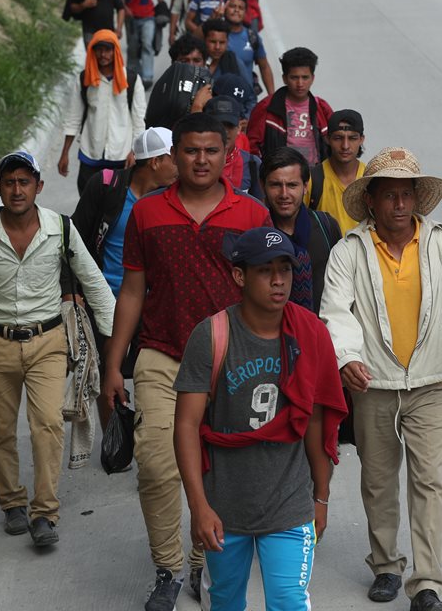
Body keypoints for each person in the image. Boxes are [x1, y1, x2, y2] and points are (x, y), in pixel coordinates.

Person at [101, 113, 272, 611]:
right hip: (161, 352)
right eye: (191, 151)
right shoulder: (148, 213)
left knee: (217, 468)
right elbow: (132, 290)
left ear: (227, 155)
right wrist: (115, 366)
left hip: (229, 358)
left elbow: (265, 295)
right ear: (173, 156)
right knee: (156, 465)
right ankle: (167, 570)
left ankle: (203, 563)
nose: (201, 160)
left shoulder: (251, 215)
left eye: (211, 151)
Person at [319, 148, 442, 611]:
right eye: (389, 195)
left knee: (428, 479)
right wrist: (346, 358)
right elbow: (336, 313)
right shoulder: (349, 251)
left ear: (416, 199)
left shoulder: (441, 242)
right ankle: (385, 565)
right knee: (378, 480)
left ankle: (428, 583)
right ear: (371, 202)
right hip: (373, 384)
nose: (399, 203)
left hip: (431, 381)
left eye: (405, 194)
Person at [0, 150, 116, 548]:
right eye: (9, 182)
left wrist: (115, 343)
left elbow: (94, 283)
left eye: (25, 182)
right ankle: (12, 503)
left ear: (39, 186)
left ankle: (45, 513)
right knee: (0, 431)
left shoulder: (61, 229)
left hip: (48, 343)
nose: (17, 190)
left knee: (48, 424)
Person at [172, 226, 347, 611]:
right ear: (240, 276)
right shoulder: (212, 335)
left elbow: (315, 421)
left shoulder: (310, 333)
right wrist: (199, 507)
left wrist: (321, 496)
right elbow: (185, 425)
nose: (279, 280)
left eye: (284, 269)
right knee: (226, 602)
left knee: (288, 602)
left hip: (290, 502)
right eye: (266, 270)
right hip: (224, 506)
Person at [74, 127, 177, 423]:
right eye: (173, 159)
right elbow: (77, 240)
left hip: (153, 301)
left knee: (149, 366)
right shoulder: (106, 187)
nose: (180, 167)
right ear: (155, 162)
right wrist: (75, 293)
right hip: (106, 299)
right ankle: (114, 439)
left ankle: (150, 427)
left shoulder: (172, 197)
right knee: (109, 367)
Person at [57, 30, 147, 191]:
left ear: (116, 51)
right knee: (87, 201)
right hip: (90, 154)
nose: (103, 54)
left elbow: (139, 120)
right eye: (99, 49)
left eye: (107, 49)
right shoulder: (85, 79)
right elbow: (73, 117)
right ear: (92, 51)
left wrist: (135, 152)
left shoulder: (132, 80)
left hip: (121, 155)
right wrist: (64, 153)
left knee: (116, 206)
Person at [261, 147, 341, 313]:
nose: (284, 194)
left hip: (324, 333)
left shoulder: (326, 226)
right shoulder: (258, 234)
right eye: (276, 185)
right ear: (263, 186)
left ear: (305, 186)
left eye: (292, 185)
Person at [247, 46, 331, 162]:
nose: (300, 83)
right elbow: (251, 146)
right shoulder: (266, 107)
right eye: (294, 77)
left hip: (315, 175)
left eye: (305, 77)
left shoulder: (322, 108)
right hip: (280, 177)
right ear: (284, 79)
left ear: (312, 78)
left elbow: (335, 142)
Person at [306, 109, 367, 236]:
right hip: (325, 255)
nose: (345, 145)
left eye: (352, 138)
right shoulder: (313, 179)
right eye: (338, 138)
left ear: (361, 139)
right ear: (328, 139)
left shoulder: (370, 178)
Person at [119, 0, 164, 88]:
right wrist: (124, 8)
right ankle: (133, 76)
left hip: (148, 16)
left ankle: (147, 77)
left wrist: (163, 8)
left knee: (147, 44)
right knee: (132, 48)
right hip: (131, 17)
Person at [205, 95, 262, 200]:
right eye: (219, 125)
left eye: (230, 125)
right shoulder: (195, 162)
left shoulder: (252, 164)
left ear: (239, 128)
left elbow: (259, 208)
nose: (225, 132)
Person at [221, 0, 275, 97]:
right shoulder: (215, 35)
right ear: (224, 8)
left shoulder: (252, 37)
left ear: (245, 13)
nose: (236, 10)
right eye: (232, 6)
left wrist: (272, 97)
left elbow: (264, 67)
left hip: (246, 98)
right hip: (220, 95)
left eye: (241, 8)